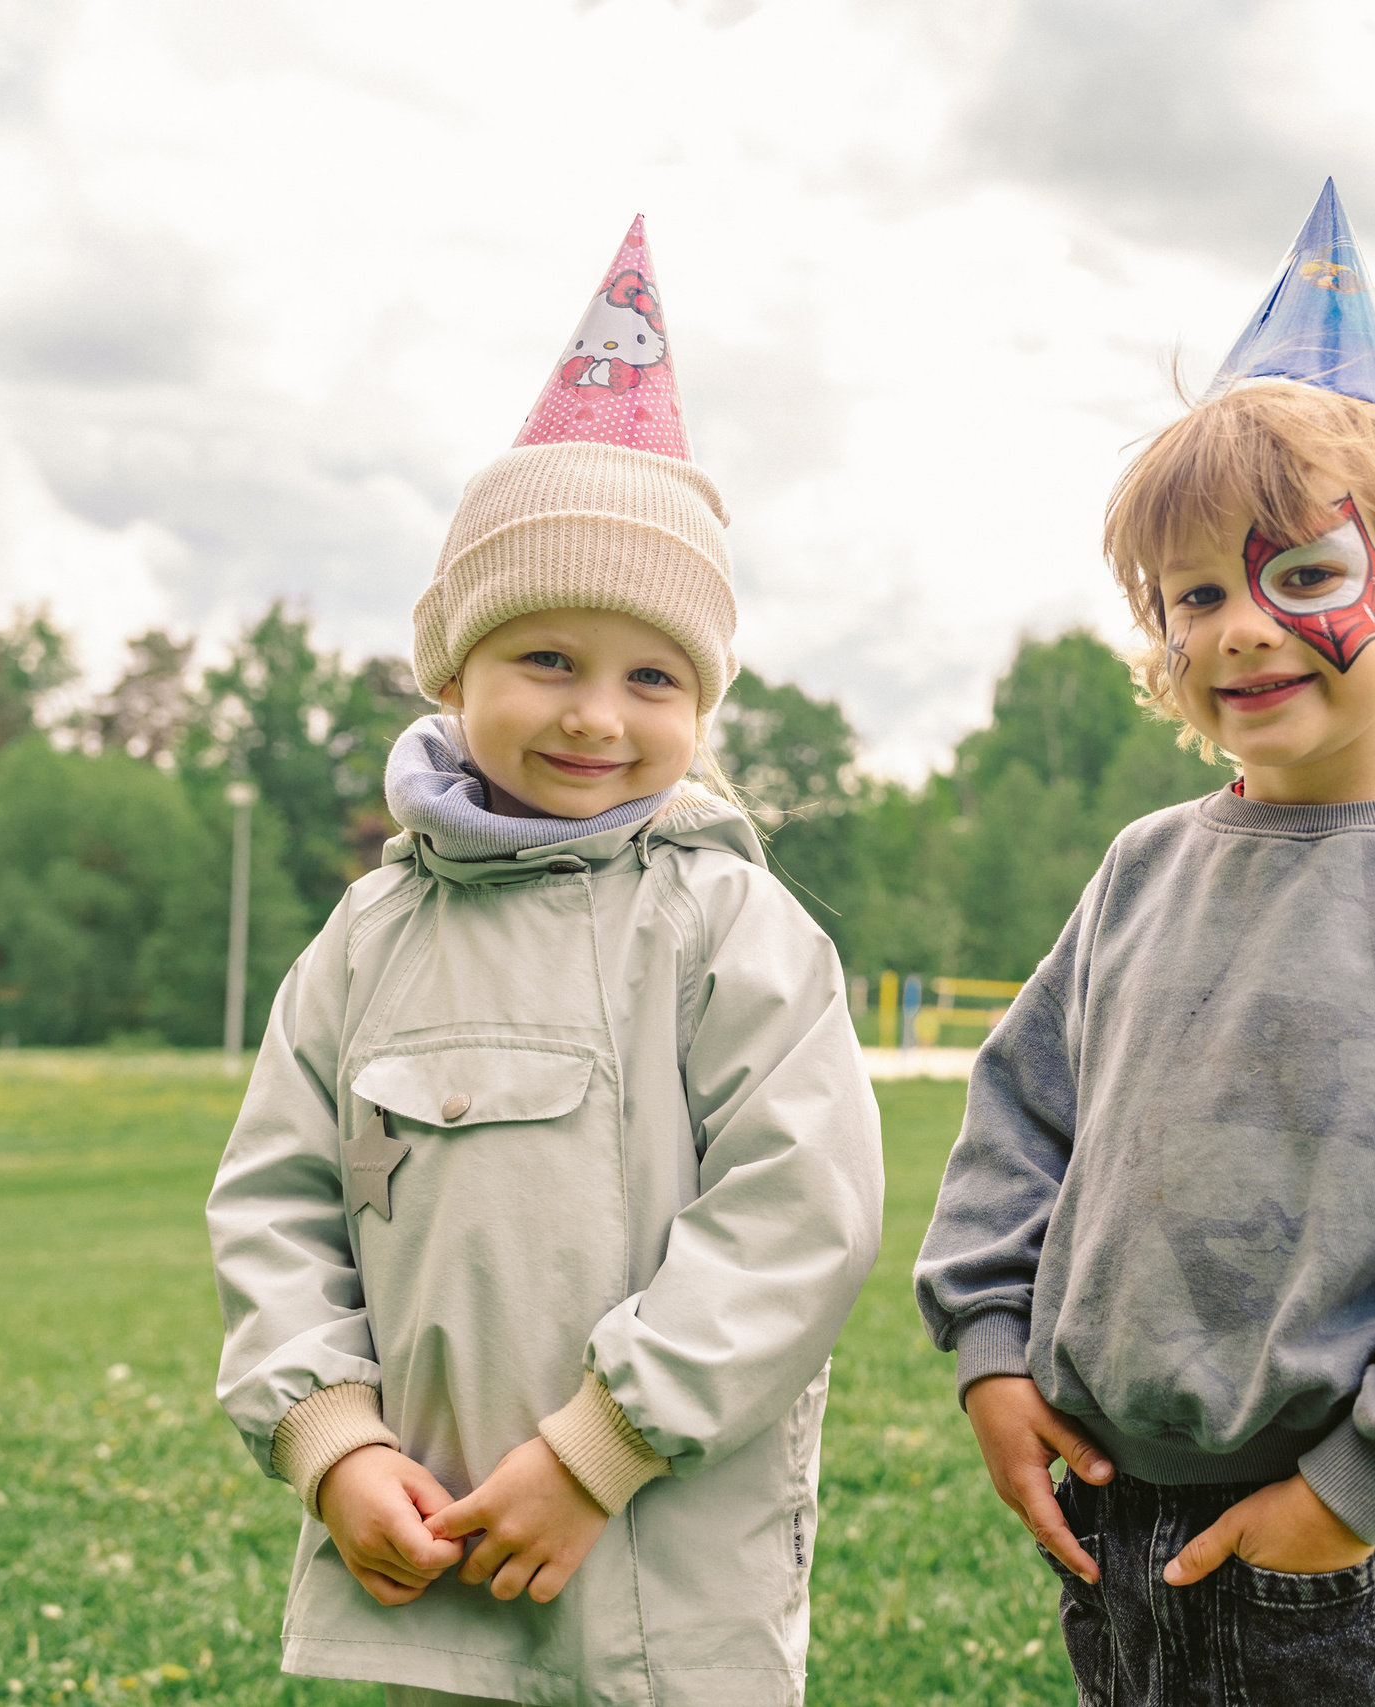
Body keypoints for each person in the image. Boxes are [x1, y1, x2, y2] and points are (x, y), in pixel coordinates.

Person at [914, 182, 1375, 1705]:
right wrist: (991, 1352)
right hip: (1115, 1520)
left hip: (1344, 1558)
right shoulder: (1140, 870)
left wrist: (1357, 1489)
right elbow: (1019, 1119)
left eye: (1303, 574)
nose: (1240, 626)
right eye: (1197, 593)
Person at [207, 216, 883, 1707]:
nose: (596, 715)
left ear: (703, 701)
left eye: (652, 676)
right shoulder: (367, 936)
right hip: (427, 1542)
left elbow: (802, 1213)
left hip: (665, 1558)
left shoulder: (729, 924)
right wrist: (330, 1438)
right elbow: (276, 1200)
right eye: (547, 661)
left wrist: (600, 1450)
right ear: (456, 670)